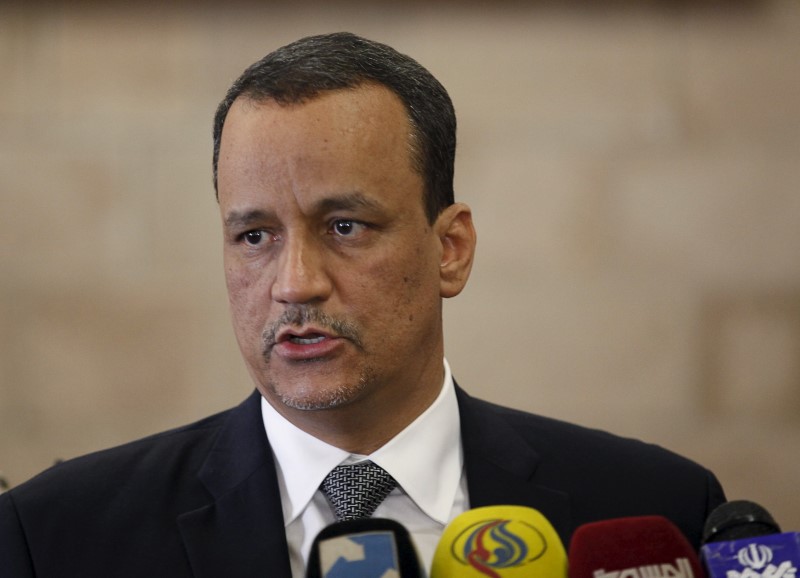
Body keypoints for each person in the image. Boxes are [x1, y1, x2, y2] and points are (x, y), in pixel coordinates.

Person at [0, 32, 725, 577]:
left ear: (450, 248)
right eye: (254, 235)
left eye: (345, 227)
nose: (294, 283)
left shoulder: (656, 511)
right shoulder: (56, 535)